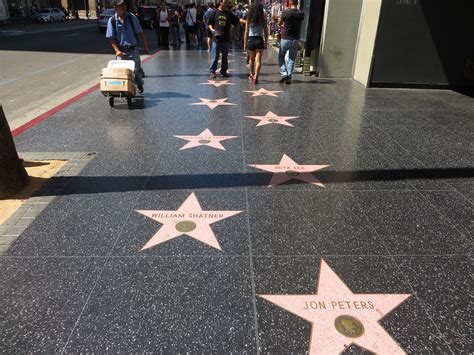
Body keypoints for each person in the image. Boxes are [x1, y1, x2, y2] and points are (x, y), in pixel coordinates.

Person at [106, 0, 150, 93]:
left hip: (133, 49)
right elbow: (111, 38)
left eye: (123, 5)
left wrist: (146, 46)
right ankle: (124, 90)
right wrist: (117, 50)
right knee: (121, 72)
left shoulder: (131, 17)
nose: (123, 7)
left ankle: (139, 84)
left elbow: (141, 33)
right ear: (115, 8)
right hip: (121, 51)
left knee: (136, 71)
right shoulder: (112, 21)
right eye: (120, 6)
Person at [207, 0, 240, 78]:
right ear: (221, 2)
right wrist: (212, 30)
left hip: (226, 38)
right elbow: (209, 23)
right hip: (216, 39)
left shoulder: (228, 13)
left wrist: (233, 28)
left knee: (225, 57)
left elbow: (236, 21)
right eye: (225, 2)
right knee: (215, 56)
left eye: (227, 3)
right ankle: (212, 71)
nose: (226, 4)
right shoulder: (214, 12)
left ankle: (223, 71)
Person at [278, 0, 304, 84]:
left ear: (290, 2)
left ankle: (284, 73)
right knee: (291, 59)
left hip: (286, 37)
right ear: (297, 3)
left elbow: (279, 23)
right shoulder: (301, 13)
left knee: (281, 56)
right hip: (295, 39)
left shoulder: (286, 12)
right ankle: (289, 77)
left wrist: (280, 20)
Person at [244, 2, 268, 85]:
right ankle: (256, 78)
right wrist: (266, 41)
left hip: (251, 39)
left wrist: (244, 43)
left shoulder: (249, 18)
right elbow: (266, 30)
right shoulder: (263, 18)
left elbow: (246, 32)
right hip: (259, 39)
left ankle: (251, 74)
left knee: (251, 59)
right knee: (258, 60)